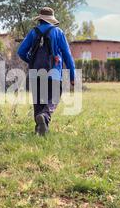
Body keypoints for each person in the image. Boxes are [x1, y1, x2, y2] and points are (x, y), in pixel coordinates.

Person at [17, 7, 76, 136]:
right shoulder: (58, 32)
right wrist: (72, 76)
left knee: (38, 102)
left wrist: (31, 61)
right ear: (51, 19)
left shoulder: (33, 32)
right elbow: (67, 55)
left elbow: (20, 52)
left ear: (40, 19)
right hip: (54, 72)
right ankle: (44, 117)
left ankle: (40, 129)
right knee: (53, 98)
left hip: (35, 72)